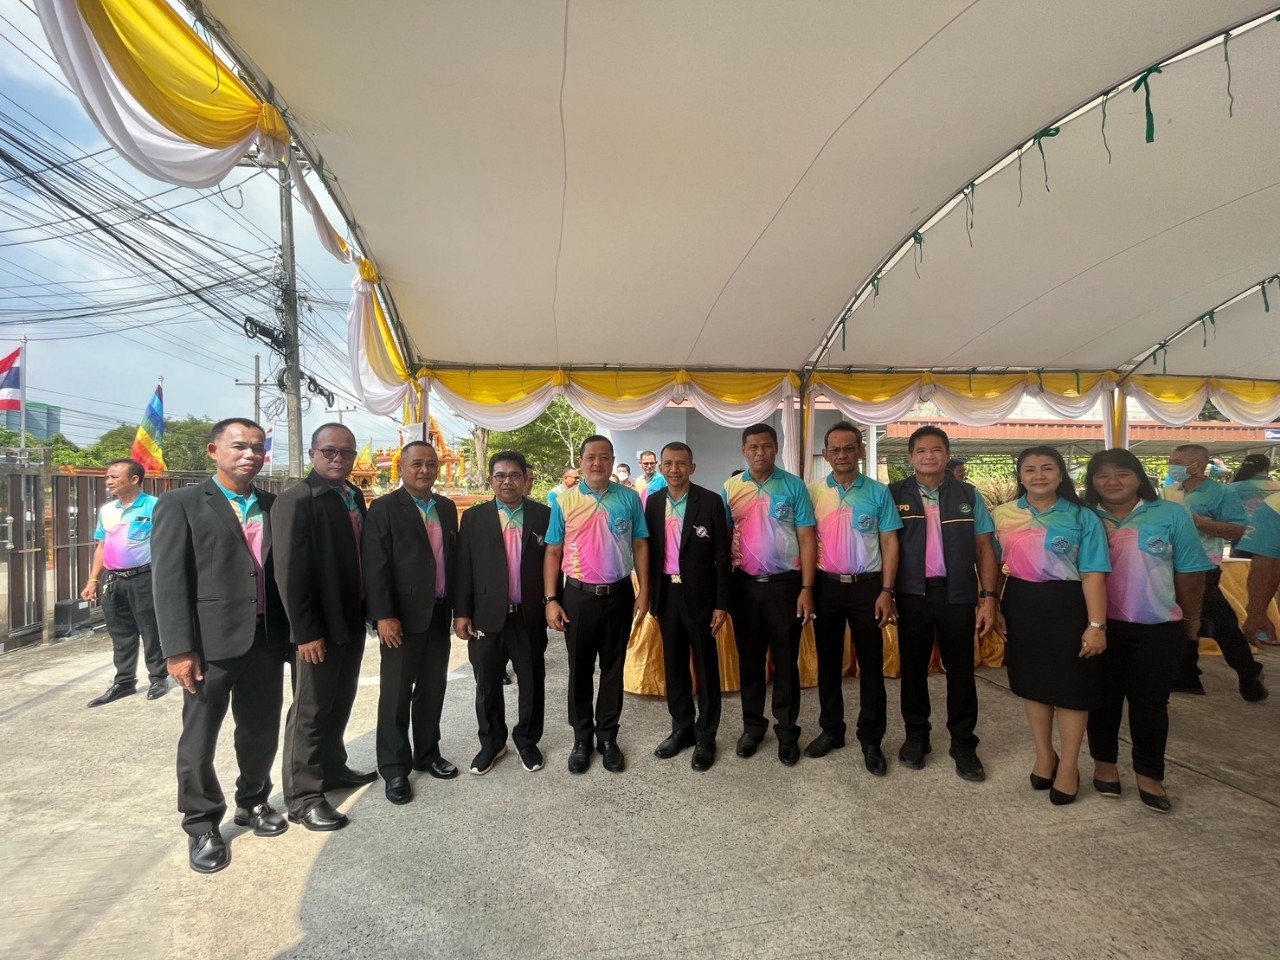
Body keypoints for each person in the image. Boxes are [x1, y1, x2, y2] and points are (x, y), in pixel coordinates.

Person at [151, 418, 290, 874]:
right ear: (214, 451)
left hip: (265, 639)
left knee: (260, 729)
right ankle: (201, 823)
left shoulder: (273, 505)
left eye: (257, 448)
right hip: (208, 645)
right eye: (239, 446)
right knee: (199, 738)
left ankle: (253, 800)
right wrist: (178, 649)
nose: (250, 455)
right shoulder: (181, 504)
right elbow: (168, 581)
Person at [1084, 448, 1210, 813]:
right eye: (1102, 475)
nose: (1112, 481)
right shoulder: (1085, 516)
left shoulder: (1171, 514)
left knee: (1151, 704)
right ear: (1092, 482)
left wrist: (1191, 619)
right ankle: (1104, 764)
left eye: (1122, 473)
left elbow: (1189, 570)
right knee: (1102, 700)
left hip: (1157, 626)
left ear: (1139, 477)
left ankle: (1149, 774)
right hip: (1100, 627)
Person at [273, 423, 378, 832]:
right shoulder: (297, 500)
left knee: (340, 699)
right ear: (313, 454)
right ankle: (303, 797)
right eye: (330, 451)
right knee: (310, 710)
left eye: (346, 452)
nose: (339, 458)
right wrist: (305, 632)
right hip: (317, 626)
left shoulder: (352, 495)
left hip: (350, 618)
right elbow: (290, 572)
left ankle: (333, 768)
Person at [992, 446, 1110, 806]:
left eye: (1047, 468)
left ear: (1061, 474)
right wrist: (994, 606)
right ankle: (1045, 755)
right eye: (1030, 469)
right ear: (1020, 476)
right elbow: (996, 567)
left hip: (1069, 605)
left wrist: (1096, 624)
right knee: (1034, 685)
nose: (1038, 476)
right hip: (1021, 605)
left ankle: (1070, 766)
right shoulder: (1003, 514)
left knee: (1072, 689)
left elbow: (1093, 573)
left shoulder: (1082, 516)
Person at [889, 426, 998, 782]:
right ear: (910, 457)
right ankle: (916, 736)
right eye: (921, 451)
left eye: (936, 449)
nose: (929, 456)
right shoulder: (894, 494)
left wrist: (989, 597)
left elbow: (984, 548)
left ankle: (963, 742)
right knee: (913, 669)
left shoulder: (968, 494)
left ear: (947, 455)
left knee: (961, 670)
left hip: (958, 594)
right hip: (912, 595)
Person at [544, 435, 649, 774]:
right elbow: (553, 551)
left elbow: (640, 544)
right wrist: (551, 599)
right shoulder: (564, 502)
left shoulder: (629, 498)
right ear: (581, 461)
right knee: (580, 669)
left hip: (619, 594)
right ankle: (581, 739)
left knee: (613, 669)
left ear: (612, 460)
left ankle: (607, 737)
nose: (597, 463)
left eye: (604, 457)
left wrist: (644, 591)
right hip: (577, 597)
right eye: (591, 457)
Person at [363, 441, 460, 804]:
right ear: (401, 468)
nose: (424, 470)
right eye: (417, 464)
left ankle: (427, 754)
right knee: (396, 694)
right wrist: (383, 615)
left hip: (438, 613)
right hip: (400, 619)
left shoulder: (446, 508)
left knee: (433, 689)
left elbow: (453, 560)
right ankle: (394, 768)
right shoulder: (385, 508)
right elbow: (375, 565)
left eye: (431, 464)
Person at [805, 422, 901, 776]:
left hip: (868, 588)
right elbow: (805, 541)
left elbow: (890, 542)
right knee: (828, 663)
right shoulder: (813, 492)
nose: (842, 455)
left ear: (861, 451)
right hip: (826, 587)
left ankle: (871, 738)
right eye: (835, 449)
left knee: (871, 665)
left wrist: (887, 591)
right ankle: (832, 730)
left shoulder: (878, 492)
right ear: (826, 454)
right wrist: (808, 589)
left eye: (849, 448)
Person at [723, 423, 816, 766]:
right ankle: (753, 727)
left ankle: (787, 731)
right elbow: (724, 541)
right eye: (753, 447)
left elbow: (806, 538)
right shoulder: (731, 488)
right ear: (744, 451)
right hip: (744, 586)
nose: (759, 452)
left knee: (786, 661)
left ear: (776, 449)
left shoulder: (794, 486)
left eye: (766, 446)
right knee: (750, 661)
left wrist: (807, 588)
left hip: (785, 586)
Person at [454, 451, 550, 775]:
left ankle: (527, 741)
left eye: (514, 475)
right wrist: (462, 612)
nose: (507, 481)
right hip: (486, 617)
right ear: (490, 480)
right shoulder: (474, 518)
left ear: (525, 478)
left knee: (532, 681)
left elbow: (555, 565)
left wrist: (553, 603)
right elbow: (463, 568)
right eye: (501, 475)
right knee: (486, 684)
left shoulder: (543, 516)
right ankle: (492, 743)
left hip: (528, 616)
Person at [644, 442, 731, 771]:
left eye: (681, 463)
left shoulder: (710, 501)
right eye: (668, 463)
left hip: (701, 598)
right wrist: (650, 596)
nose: (674, 469)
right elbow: (647, 551)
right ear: (660, 468)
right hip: (667, 595)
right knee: (674, 666)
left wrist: (721, 603)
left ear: (692, 468)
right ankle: (682, 728)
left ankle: (706, 736)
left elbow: (723, 557)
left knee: (706, 667)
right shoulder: (652, 502)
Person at [1163, 444, 1267, 700]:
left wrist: (1201, 524)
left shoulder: (1221, 492)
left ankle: (1248, 672)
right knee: (1185, 617)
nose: (1172, 466)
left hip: (1204, 564)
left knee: (1216, 621)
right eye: (1171, 461)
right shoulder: (1171, 491)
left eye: (1178, 462)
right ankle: (1187, 674)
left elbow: (1237, 529)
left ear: (1198, 465)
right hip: (1172, 563)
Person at [81, 459, 168, 707]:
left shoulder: (155, 506)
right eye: (107, 477)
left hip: (145, 577)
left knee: (151, 630)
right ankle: (124, 682)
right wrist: (93, 579)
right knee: (121, 633)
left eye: (114, 477)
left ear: (134, 479)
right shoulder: (108, 510)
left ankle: (158, 678)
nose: (109, 482)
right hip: (115, 580)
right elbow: (101, 546)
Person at [1241, 492, 1280, 645]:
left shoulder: (1274, 504)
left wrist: (1256, 613)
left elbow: (1267, 563)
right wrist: (1257, 613)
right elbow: (1268, 563)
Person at [1230, 455, 1280, 556]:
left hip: (1244, 537)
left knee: (1241, 564)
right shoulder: (1278, 487)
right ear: (1266, 467)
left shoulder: (1233, 487)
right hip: (1274, 536)